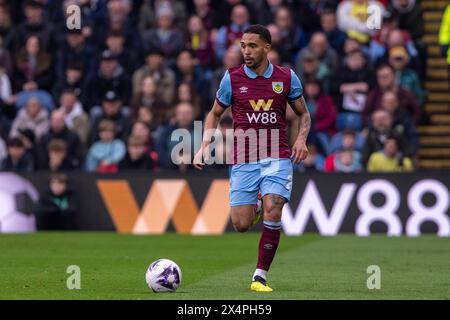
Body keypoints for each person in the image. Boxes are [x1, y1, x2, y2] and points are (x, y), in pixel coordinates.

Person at [193, 25, 310, 292]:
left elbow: (304, 114)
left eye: (252, 46)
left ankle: (260, 276)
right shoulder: (231, 79)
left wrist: (301, 139)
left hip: (277, 155)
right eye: (243, 46)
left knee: (274, 207)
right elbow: (215, 113)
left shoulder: (286, 77)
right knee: (241, 224)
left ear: (267, 48)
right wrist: (204, 146)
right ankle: (255, 205)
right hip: (244, 158)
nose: (245, 51)